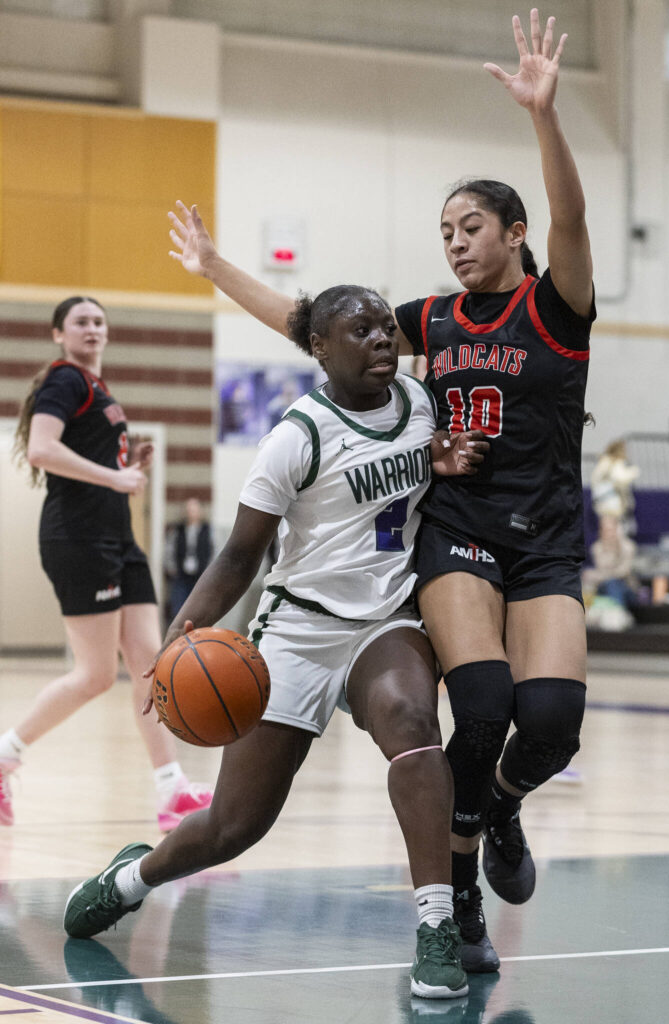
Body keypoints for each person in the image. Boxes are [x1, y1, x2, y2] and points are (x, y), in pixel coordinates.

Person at [158, 9, 595, 971]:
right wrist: (217, 267)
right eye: (442, 231)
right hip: (460, 533)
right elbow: (314, 323)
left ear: (513, 233)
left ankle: (508, 811)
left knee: (552, 724)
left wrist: (544, 117)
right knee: (477, 709)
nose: (453, 242)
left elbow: (570, 218)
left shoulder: (556, 307)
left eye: (470, 226)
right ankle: (461, 890)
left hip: (549, 537)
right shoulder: (429, 319)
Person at [63, 285, 491, 1000]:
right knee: (235, 826)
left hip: (385, 621)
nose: (384, 339)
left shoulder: (420, 406)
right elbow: (239, 555)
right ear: (320, 348)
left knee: (414, 723)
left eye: (387, 327)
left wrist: (440, 460)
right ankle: (133, 877)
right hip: (297, 629)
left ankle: (435, 929)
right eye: (362, 330)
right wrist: (182, 632)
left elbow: (430, 477)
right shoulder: (296, 435)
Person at [0, 297, 212, 833]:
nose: (93, 328)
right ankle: (5, 757)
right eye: (80, 322)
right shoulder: (65, 381)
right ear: (58, 334)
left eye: (99, 321)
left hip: (119, 537)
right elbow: (43, 451)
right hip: (79, 538)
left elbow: (86, 455)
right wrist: (116, 479)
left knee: (150, 666)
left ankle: (173, 791)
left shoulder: (98, 390)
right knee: (95, 675)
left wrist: (125, 462)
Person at [167, 497, 213, 620]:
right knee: (179, 607)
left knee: (200, 608)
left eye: (194, 510)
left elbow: (213, 551)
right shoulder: (178, 530)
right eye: (188, 510)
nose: (191, 513)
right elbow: (170, 549)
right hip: (181, 575)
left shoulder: (207, 530)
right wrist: (172, 568)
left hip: (200, 575)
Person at [590, 439, 640, 536]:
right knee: (612, 528)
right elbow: (619, 478)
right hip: (610, 501)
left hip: (604, 501)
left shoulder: (604, 461)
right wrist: (633, 472)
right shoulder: (613, 462)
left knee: (609, 527)